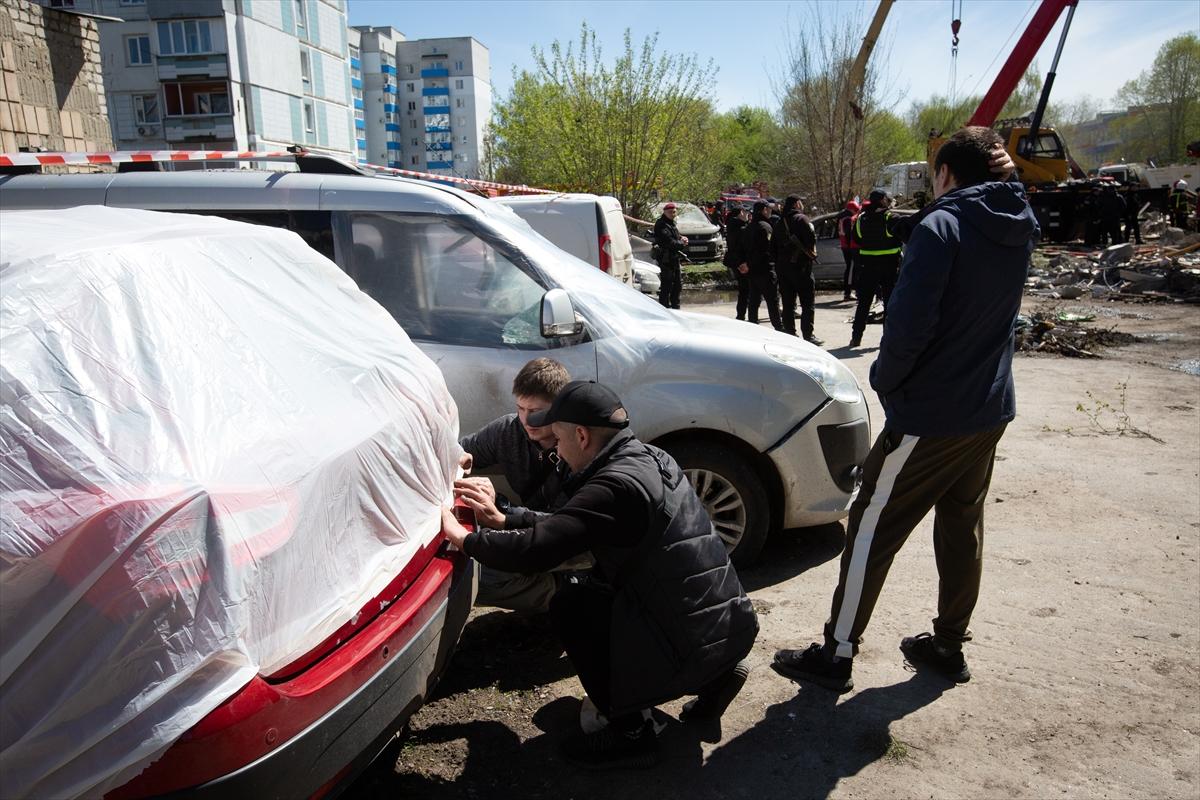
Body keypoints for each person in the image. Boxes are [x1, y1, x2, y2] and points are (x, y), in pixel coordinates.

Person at [771, 126, 1039, 693]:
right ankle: (947, 645)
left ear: (945, 174)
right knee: (962, 525)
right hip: (989, 407)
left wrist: (886, 383)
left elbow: (909, 328)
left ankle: (836, 653)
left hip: (932, 416)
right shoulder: (1020, 224)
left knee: (870, 526)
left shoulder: (940, 226)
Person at [441, 381, 758, 769]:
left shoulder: (614, 487)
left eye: (557, 439)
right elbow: (575, 524)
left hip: (690, 641)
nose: (555, 449)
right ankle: (718, 677)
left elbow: (537, 550)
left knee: (573, 604)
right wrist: (510, 518)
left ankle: (630, 733)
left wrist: (464, 539)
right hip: (728, 626)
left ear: (581, 435)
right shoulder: (650, 458)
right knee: (605, 590)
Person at [456, 357, 573, 614]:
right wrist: (459, 459)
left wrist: (502, 517)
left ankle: (569, 595)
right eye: (521, 408)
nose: (526, 420)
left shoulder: (579, 448)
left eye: (537, 412)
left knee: (479, 575)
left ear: (560, 409)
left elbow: (568, 525)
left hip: (573, 543)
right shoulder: (508, 430)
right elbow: (464, 450)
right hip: (531, 527)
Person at [849, 189, 902, 348]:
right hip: (889, 266)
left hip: (867, 266)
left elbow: (857, 238)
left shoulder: (861, 218)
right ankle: (889, 339)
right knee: (890, 303)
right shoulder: (890, 218)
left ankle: (856, 338)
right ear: (883, 200)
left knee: (864, 303)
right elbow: (902, 235)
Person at [773, 194, 822, 344]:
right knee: (807, 304)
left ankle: (790, 334)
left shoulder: (779, 223)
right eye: (800, 202)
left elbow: (772, 248)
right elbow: (811, 240)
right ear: (796, 204)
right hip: (801, 268)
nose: (802, 205)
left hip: (783, 269)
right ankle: (808, 336)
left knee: (788, 304)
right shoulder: (802, 219)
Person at [742, 200, 784, 331]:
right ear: (763, 210)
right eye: (769, 209)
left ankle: (753, 326)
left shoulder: (749, 226)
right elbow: (768, 249)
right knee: (772, 300)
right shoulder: (765, 227)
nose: (770, 211)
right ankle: (779, 328)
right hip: (765, 269)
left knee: (754, 301)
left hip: (752, 269)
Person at [653, 203, 688, 309]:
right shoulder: (661, 224)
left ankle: (675, 307)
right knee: (667, 286)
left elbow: (675, 236)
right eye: (670, 212)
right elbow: (669, 242)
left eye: (674, 212)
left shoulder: (671, 223)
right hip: (666, 260)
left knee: (677, 286)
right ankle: (664, 309)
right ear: (665, 212)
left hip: (674, 258)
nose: (673, 214)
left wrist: (682, 238)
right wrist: (682, 243)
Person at [723, 206, 752, 321]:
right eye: (746, 213)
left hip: (735, 262)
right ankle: (747, 315)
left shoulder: (732, 226)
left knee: (743, 290)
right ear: (741, 213)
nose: (748, 215)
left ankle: (741, 315)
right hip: (742, 263)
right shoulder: (742, 228)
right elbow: (743, 247)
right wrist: (744, 263)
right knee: (747, 290)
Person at [837, 200, 861, 302]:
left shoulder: (841, 217)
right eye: (855, 210)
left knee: (851, 269)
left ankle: (850, 292)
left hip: (844, 246)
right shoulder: (847, 218)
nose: (856, 212)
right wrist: (851, 245)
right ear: (851, 209)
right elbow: (848, 234)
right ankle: (848, 293)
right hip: (848, 247)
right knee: (851, 269)